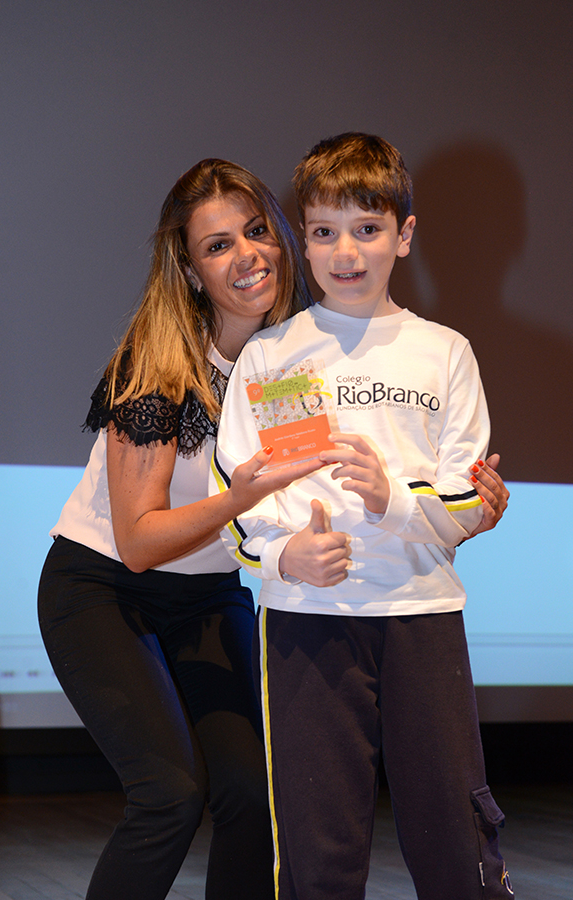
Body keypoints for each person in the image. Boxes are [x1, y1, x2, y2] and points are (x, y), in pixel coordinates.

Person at [211, 134, 514, 899]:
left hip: (422, 615)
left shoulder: (444, 352)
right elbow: (235, 499)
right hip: (306, 621)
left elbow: (470, 497)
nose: (346, 251)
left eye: (368, 228)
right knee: (317, 848)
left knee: (454, 840)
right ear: (303, 240)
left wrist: (394, 500)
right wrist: (285, 557)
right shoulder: (272, 356)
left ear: (403, 235)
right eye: (325, 231)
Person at [37, 158, 327, 900]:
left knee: (254, 795)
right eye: (218, 245)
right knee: (170, 794)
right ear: (192, 272)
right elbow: (138, 543)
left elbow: (306, 493)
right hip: (103, 592)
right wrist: (239, 500)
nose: (248, 255)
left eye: (257, 231)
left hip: (207, 597)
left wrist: (455, 507)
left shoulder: (289, 365)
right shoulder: (157, 363)